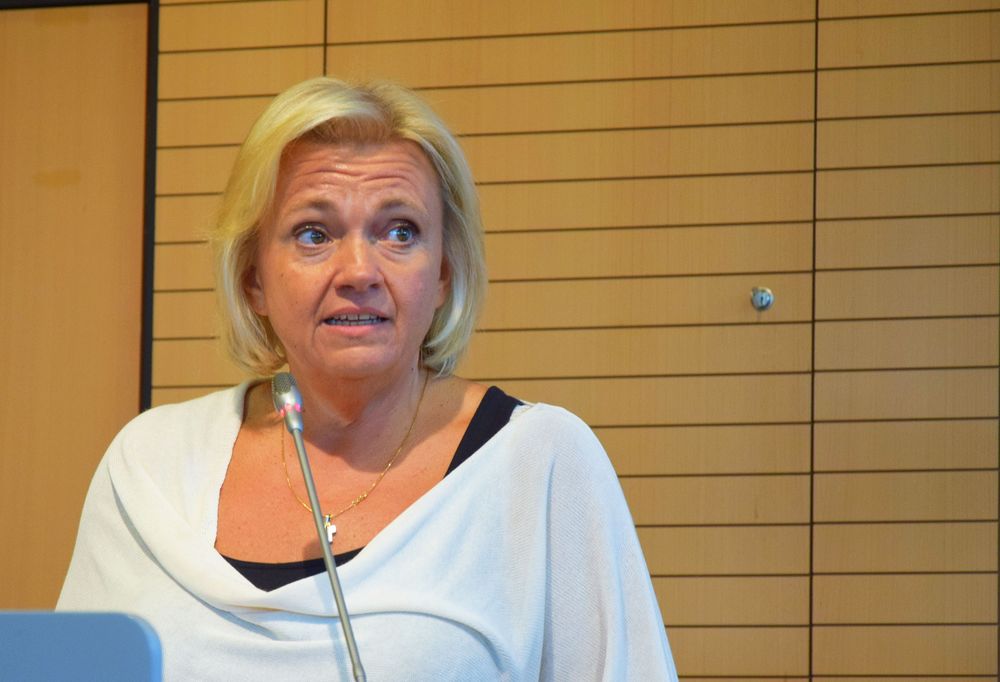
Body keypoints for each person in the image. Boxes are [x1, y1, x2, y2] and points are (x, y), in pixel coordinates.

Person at [57, 77, 678, 681]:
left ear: (443, 274)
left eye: (399, 232)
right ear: (253, 279)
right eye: (314, 234)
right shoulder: (149, 464)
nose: (359, 271)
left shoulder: (540, 462)